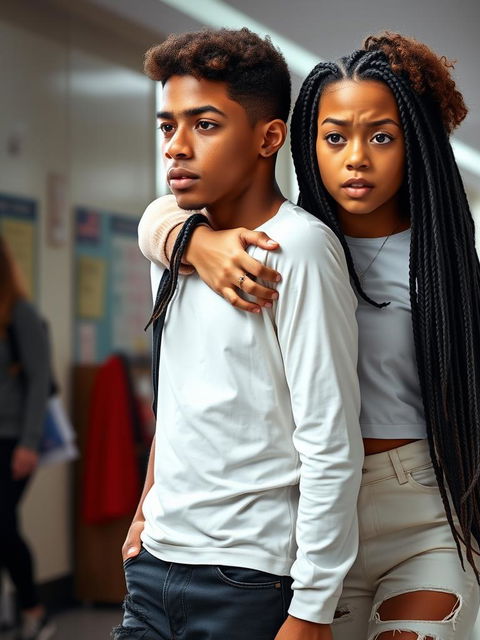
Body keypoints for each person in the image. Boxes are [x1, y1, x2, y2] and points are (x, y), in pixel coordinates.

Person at [138, 32, 480, 640]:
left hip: (425, 518)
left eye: (381, 137)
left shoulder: (438, 267)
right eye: (334, 137)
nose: (356, 159)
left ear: (413, 145)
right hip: (310, 524)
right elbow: (160, 214)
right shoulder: (284, 245)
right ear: (304, 145)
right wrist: (190, 239)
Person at [114, 28, 363, 640]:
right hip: (154, 567)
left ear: (268, 136)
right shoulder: (175, 245)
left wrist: (313, 606)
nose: (175, 147)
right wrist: (149, 507)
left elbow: (330, 441)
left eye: (204, 124)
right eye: (166, 126)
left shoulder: (298, 249)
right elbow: (178, 398)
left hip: (247, 577)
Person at [0, 236, 55, 640]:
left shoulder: (19, 314)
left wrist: (29, 443)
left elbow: (39, 383)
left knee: (1, 525)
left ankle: (34, 608)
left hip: (12, 439)